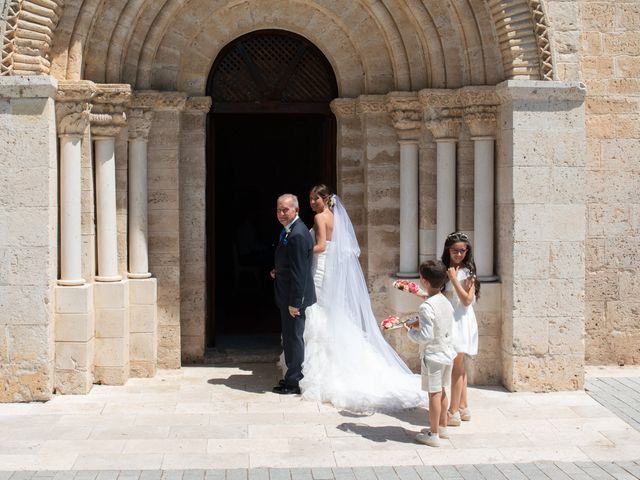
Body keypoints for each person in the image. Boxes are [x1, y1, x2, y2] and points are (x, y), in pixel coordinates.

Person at [299, 184, 425, 412]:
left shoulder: (319, 218)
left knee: (320, 313)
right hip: (330, 269)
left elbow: (319, 246)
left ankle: (322, 371)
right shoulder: (335, 219)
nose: (312, 203)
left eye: (315, 199)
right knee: (329, 314)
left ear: (326, 199)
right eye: (310, 199)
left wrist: (300, 249)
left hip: (320, 268)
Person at [405, 260, 457, 447]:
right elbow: (441, 324)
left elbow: (426, 336)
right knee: (442, 390)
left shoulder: (426, 306)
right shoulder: (445, 301)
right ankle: (442, 427)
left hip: (433, 355)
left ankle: (433, 434)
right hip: (447, 352)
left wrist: (409, 331)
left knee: (433, 394)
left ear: (425, 282)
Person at [271, 194, 317, 394]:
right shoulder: (291, 230)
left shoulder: (297, 234)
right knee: (289, 335)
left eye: (285, 210)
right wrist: (278, 271)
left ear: (296, 210)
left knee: (293, 337)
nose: (281, 214)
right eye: (279, 210)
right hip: (288, 292)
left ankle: (294, 381)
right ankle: (291, 376)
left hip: (294, 297)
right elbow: (292, 264)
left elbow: (300, 272)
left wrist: (295, 302)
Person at [441, 232, 480, 425]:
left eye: (462, 250)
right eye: (455, 250)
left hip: (462, 320)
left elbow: (467, 300)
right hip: (450, 318)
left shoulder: (468, 272)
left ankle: (453, 411)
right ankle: (464, 407)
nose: (458, 254)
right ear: (448, 250)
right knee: (459, 365)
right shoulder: (444, 269)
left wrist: (454, 279)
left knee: (456, 366)